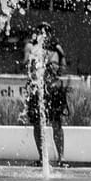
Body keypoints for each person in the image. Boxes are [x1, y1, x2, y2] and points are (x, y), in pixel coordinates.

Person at [27, 35, 69, 165]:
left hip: (53, 90)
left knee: (56, 123)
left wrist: (58, 59)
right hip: (38, 90)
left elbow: (63, 69)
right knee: (37, 124)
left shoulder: (57, 50)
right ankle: (42, 158)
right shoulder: (33, 48)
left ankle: (61, 158)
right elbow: (28, 68)